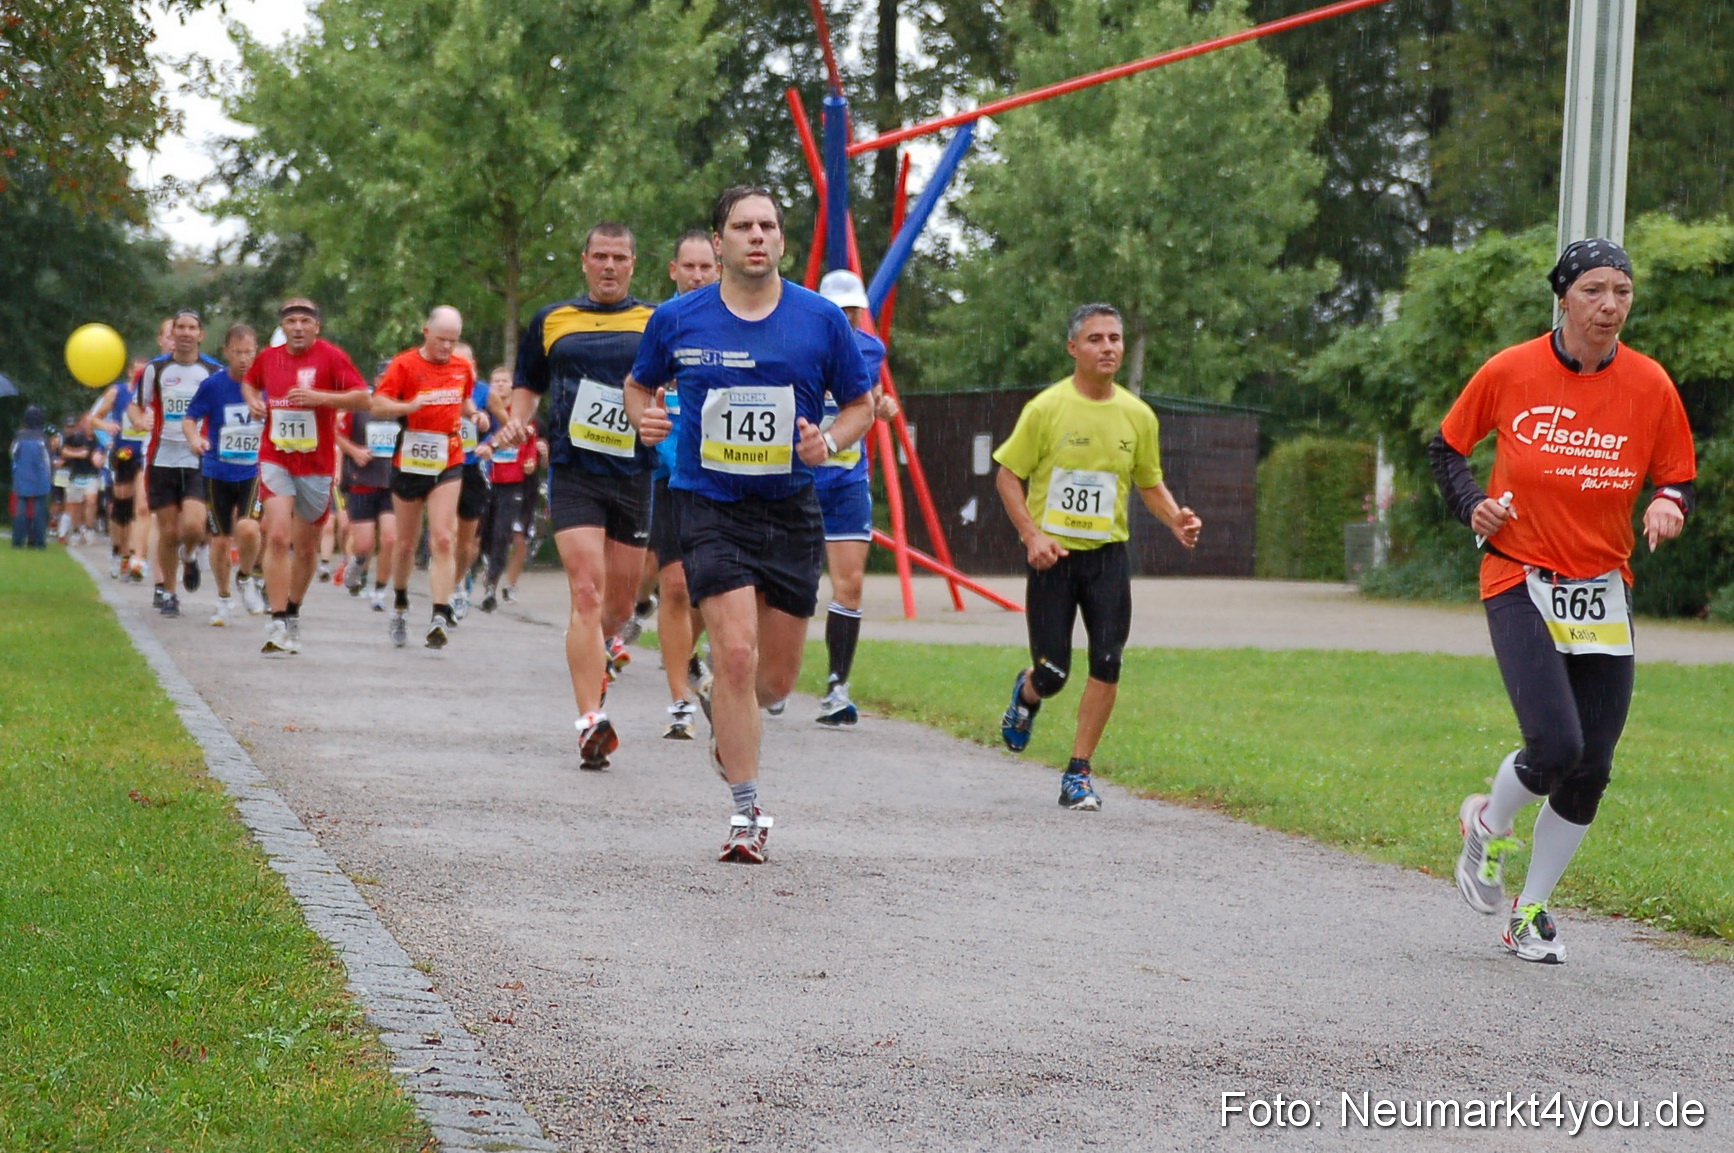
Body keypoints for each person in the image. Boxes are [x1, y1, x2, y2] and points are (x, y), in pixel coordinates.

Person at [1436, 239, 1696, 965]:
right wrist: (1474, 505)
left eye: (1622, 291)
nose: (1610, 305)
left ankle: (1531, 910)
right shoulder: (1511, 370)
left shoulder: (1649, 384)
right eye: (1594, 290)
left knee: (1593, 765)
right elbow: (1447, 448)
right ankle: (1486, 825)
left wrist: (1669, 505)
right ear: (1563, 297)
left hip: (1604, 588)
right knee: (1556, 744)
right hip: (1519, 574)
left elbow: (1678, 473)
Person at [624, 186, 875, 863]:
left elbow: (862, 403)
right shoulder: (678, 319)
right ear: (719, 240)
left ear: (782, 242)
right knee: (735, 654)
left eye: (767, 225)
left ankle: (726, 723)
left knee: (774, 682)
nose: (756, 236)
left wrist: (830, 437)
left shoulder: (821, 319)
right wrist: (644, 418)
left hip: (790, 508)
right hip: (708, 503)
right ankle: (746, 812)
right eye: (742, 226)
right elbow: (640, 385)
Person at [993, 303, 1203, 812]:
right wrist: (1031, 536)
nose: (1108, 347)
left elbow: (1148, 482)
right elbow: (1006, 475)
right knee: (1054, 674)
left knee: (1108, 661)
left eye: (1115, 338)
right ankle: (1027, 693)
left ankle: (1078, 773)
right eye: (1095, 339)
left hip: (1108, 558)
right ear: (1073, 348)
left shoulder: (1137, 415)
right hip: (1053, 560)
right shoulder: (1046, 409)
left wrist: (1175, 518)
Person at [503, 222, 658, 769]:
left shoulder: (655, 321)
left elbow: (678, 382)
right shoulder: (552, 320)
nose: (610, 266)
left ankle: (601, 670)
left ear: (633, 264)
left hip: (635, 472)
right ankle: (590, 720)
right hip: (574, 471)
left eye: (620, 257)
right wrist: (519, 421)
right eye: (601, 257)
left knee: (616, 607)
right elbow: (528, 382)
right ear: (584, 260)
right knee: (586, 595)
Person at [243, 297, 371, 654]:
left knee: (307, 546)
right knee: (279, 535)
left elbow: (362, 398)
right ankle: (277, 618)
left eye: (304, 321)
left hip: (315, 465)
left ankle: (294, 612)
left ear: (317, 327)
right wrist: (253, 399)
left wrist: (319, 397)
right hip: (276, 457)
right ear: (283, 327)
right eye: (291, 321)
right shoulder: (269, 357)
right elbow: (250, 382)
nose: (297, 327)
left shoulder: (332, 357)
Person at [810, 269, 900, 726]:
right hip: (798, 481)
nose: (846, 318)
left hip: (846, 482)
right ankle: (767, 676)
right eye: (838, 310)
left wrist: (884, 405)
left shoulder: (871, 349)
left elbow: (870, 397)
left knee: (850, 584)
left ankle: (836, 687)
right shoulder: (799, 341)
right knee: (787, 589)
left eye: (853, 310)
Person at [646, 229, 719, 739]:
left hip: (721, 476)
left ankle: (689, 656)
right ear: (673, 270)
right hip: (666, 474)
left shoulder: (734, 323)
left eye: (706, 268)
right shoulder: (660, 324)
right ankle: (679, 701)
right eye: (688, 267)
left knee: (703, 592)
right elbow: (631, 387)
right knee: (673, 585)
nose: (697, 276)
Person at [373, 306, 477, 649]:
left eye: (453, 340)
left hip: (448, 458)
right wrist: (409, 406)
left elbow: (463, 402)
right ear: (426, 332)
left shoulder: (463, 367)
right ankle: (401, 603)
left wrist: (477, 415)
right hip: (411, 460)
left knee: (444, 538)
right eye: (442, 339)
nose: (447, 347)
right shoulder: (404, 365)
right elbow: (379, 405)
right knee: (405, 543)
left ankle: (439, 612)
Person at [131, 309, 222, 617]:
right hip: (161, 458)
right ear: (173, 334)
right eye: (179, 327)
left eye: (191, 328)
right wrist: (140, 419)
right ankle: (169, 593)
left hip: (198, 457)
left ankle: (190, 553)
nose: (185, 333)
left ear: (200, 334)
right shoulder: (156, 369)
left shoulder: (213, 370)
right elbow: (135, 406)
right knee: (168, 531)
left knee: (195, 526)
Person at [183, 323, 266, 624]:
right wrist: (195, 440)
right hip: (217, 470)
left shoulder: (267, 383)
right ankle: (223, 599)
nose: (243, 359)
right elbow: (190, 419)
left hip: (253, 470)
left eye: (249, 352)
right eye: (237, 352)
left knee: (248, 529)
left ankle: (245, 577)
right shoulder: (214, 384)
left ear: (257, 352)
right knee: (219, 540)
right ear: (226, 352)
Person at [336, 360, 400, 611]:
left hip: (393, 482)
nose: (388, 382)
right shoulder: (360, 406)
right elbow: (335, 433)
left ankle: (380, 591)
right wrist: (355, 450)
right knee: (363, 544)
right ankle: (356, 565)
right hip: (363, 480)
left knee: (390, 539)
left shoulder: (403, 408)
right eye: (384, 377)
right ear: (375, 380)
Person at [91, 358, 154, 580]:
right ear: (129, 372)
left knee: (143, 506)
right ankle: (119, 551)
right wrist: (106, 425)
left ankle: (138, 558)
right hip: (123, 454)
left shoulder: (154, 394)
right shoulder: (117, 392)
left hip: (145, 454)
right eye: (137, 372)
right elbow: (94, 418)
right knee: (122, 508)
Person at [451, 342, 501, 616]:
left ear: (473, 364)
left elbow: (507, 425)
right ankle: (445, 591)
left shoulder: (485, 393)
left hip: (472, 468)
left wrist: (490, 444)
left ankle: (458, 582)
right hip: (442, 465)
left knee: (465, 541)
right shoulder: (439, 387)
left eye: (465, 362)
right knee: (444, 534)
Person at [480, 417, 542, 610]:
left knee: (503, 533)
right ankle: (471, 574)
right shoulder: (486, 413)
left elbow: (532, 444)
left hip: (513, 485)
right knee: (480, 537)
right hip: (485, 482)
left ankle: (492, 585)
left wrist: (532, 460)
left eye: (505, 383)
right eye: (497, 382)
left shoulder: (527, 418)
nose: (500, 384)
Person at [8, 405, 53, 548]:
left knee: (20, 510)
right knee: (39, 510)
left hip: (22, 475)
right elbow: (47, 459)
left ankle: (18, 541)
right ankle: (39, 542)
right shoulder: (42, 438)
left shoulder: (19, 436)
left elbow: (13, 453)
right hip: (40, 477)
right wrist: (49, 476)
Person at [58, 413, 102, 545]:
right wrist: (78, 454)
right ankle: (76, 530)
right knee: (74, 505)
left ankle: (89, 528)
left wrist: (99, 457)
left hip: (92, 474)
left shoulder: (98, 439)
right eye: (87, 423)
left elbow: (103, 453)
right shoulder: (75, 438)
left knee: (91, 500)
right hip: (77, 474)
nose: (89, 426)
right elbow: (64, 451)